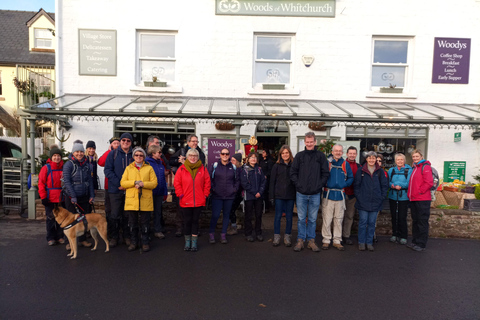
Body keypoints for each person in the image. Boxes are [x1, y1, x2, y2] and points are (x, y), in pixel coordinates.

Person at [290, 132, 329, 252]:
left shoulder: (320, 156)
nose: (309, 144)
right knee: (301, 219)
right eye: (307, 142)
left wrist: (319, 185)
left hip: (315, 193)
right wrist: (299, 185)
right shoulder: (299, 156)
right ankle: (300, 240)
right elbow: (293, 173)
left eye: (311, 142)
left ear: (315, 142)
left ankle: (311, 240)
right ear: (305, 142)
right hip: (301, 193)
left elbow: (325, 173)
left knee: (312, 219)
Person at [120, 147, 158, 252]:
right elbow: (123, 183)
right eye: (136, 155)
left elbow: (154, 183)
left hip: (145, 199)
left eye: (141, 155)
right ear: (133, 157)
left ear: (144, 157)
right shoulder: (128, 168)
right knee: (132, 224)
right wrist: (134, 182)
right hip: (132, 200)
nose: (138, 157)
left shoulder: (149, 168)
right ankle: (134, 242)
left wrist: (143, 184)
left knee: (145, 223)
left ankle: (145, 242)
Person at [173, 148, 211, 251]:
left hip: (199, 200)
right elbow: (177, 183)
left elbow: (207, 183)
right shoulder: (181, 169)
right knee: (187, 221)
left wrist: (205, 195)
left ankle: (194, 243)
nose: (193, 158)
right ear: (187, 157)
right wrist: (180, 194)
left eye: (195, 156)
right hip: (185, 200)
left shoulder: (203, 169)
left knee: (195, 221)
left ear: (198, 157)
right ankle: (187, 242)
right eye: (191, 156)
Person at [170, 134, 206, 237]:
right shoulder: (181, 151)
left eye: (197, 141)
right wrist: (178, 160)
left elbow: (201, 165)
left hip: (195, 188)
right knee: (180, 209)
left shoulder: (200, 153)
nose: (195, 143)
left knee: (195, 214)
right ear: (188, 142)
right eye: (193, 141)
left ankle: (194, 231)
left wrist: (187, 162)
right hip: (183, 186)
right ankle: (180, 228)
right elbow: (171, 161)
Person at [354, 151, 388, 252]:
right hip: (363, 201)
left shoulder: (380, 171)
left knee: (372, 223)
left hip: (375, 202)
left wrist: (381, 197)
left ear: (376, 159)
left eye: (373, 158)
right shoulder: (361, 171)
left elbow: (384, 186)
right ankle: (361, 242)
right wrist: (360, 198)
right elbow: (356, 186)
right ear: (367, 159)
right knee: (363, 222)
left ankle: (369, 242)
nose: (371, 160)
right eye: (370, 158)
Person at [321, 145, 354, 251]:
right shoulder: (327, 163)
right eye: (336, 151)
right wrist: (325, 184)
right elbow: (321, 175)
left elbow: (351, 177)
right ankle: (326, 240)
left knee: (338, 220)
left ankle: (337, 240)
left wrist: (344, 184)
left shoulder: (345, 164)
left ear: (342, 152)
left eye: (340, 151)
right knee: (327, 219)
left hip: (340, 196)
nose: (338, 153)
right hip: (328, 195)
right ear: (332, 151)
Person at [63, 140, 95, 248]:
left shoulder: (86, 164)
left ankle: (82, 240)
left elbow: (90, 181)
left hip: (84, 196)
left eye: (81, 151)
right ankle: (69, 243)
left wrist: (91, 195)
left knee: (83, 220)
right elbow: (67, 181)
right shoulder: (68, 165)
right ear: (73, 152)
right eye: (77, 151)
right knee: (71, 221)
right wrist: (73, 196)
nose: (79, 154)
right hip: (72, 197)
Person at [104, 133, 134, 247]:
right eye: (123, 140)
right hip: (115, 190)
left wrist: (129, 185)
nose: (125, 142)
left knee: (127, 215)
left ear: (131, 143)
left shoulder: (134, 154)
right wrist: (119, 184)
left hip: (130, 190)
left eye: (128, 141)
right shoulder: (113, 154)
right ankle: (114, 237)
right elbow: (108, 171)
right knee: (115, 214)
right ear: (120, 141)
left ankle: (127, 236)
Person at [208, 148, 240, 244]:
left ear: (229, 155)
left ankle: (223, 235)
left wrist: (234, 189)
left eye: (227, 154)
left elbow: (237, 180)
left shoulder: (233, 167)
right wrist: (213, 189)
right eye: (223, 153)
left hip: (229, 196)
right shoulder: (215, 166)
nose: (225, 155)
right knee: (215, 215)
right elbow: (209, 179)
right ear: (220, 155)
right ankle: (211, 234)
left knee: (226, 216)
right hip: (217, 195)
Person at [407, 149, 434, 252]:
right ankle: (415, 241)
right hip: (414, 199)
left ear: (421, 157)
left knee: (422, 222)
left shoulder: (425, 167)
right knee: (416, 221)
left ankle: (421, 244)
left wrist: (419, 192)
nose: (415, 158)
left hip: (422, 199)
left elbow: (429, 182)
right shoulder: (415, 168)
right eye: (413, 157)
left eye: (417, 156)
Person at [269, 145, 296, 247]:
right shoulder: (276, 166)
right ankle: (276, 236)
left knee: (289, 217)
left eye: (287, 153)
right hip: (279, 195)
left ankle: (287, 236)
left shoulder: (293, 166)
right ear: (280, 155)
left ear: (289, 154)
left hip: (290, 195)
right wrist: (271, 196)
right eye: (283, 153)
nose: (285, 155)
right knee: (278, 216)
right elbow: (272, 182)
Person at [38, 147, 65, 246]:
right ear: (51, 157)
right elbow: (41, 183)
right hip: (50, 198)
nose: (57, 158)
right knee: (50, 219)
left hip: (61, 198)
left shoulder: (63, 168)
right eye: (54, 156)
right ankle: (50, 237)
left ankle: (60, 236)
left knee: (61, 218)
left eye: (58, 156)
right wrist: (43, 197)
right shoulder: (46, 168)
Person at [98, 137, 120, 241]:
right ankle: (110, 229)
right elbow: (100, 162)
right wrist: (109, 151)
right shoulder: (109, 154)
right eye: (114, 143)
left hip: (121, 186)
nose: (117, 145)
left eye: (118, 143)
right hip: (109, 187)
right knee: (109, 209)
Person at [241, 152, 266, 242]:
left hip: (259, 196)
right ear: (248, 159)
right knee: (248, 215)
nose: (253, 159)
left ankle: (258, 233)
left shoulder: (259, 169)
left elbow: (263, 181)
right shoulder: (245, 170)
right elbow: (244, 184)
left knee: (258, 215)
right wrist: (255, 192)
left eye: (255, 157)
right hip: (249, 196)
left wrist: (260, 192)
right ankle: (248, 233)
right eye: (251, 157)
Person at [388, 153, 412, 245]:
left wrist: (399, 186)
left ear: (404, 161)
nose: (400, 161)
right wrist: (392, 186)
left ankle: (403, 236)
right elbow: (388, 182)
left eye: (401, 159)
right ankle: (394, 234)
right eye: (398, 159)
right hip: (393, 196)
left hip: (404, 197)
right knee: (394, 216)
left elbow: (409, 183)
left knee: (402, 217)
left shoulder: (408, 170)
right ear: (395, 161)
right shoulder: (391, 170)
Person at [145, 145, 168, 240]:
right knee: (147, 213)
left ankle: (157, 230)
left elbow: (163, 179)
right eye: (159, 152)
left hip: (159, 192)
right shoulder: (147, 163)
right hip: (149, 192)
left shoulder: (161, 164)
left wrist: (165, 192)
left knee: (158, 212)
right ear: (153, 153)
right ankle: (146, 231)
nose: (161, 154)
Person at [342, 146, 362, 245]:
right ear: (347, 154)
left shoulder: (359, 167)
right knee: (338, 216)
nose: (352, 155)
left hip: (352, 195)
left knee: (349, 216)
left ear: (356, 155)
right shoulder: (342, 164)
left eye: (354, 153)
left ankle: (346, 235)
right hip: (341, 194)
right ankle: (336, 235)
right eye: (350, 153)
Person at [227, 152, 244, 235]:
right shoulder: (232, 169)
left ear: (238, 161)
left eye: (233, 160)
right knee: (230, 209)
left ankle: (233, 227)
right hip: (231, 193)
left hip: (238, 193)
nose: (231, 162)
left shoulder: (240, 170)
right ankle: (231, 225)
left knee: (231, 209)